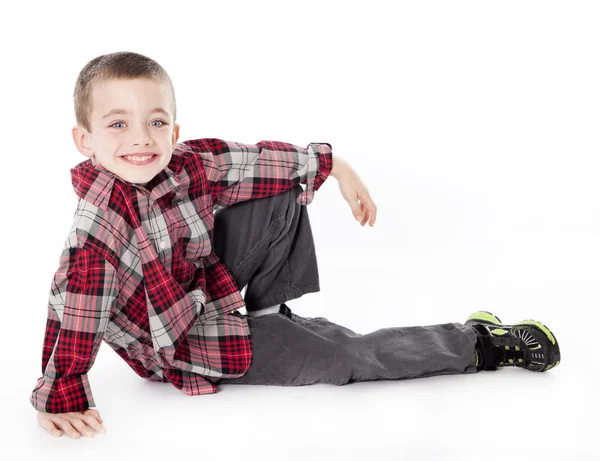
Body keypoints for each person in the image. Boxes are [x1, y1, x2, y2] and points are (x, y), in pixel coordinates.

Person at [31, 51, 561, 439]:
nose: (141, 139)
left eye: (156, 122)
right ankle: (481, 341)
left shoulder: (190, 163)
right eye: (118, 124)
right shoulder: (97, 230)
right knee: (345, 354)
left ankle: (267, 309)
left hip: (203, 289)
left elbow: (260, 160)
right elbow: (74, 313)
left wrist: (337, 167)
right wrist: (61, 391)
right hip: (182, 345)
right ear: (86, 140)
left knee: (277, 184)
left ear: (174, 129)